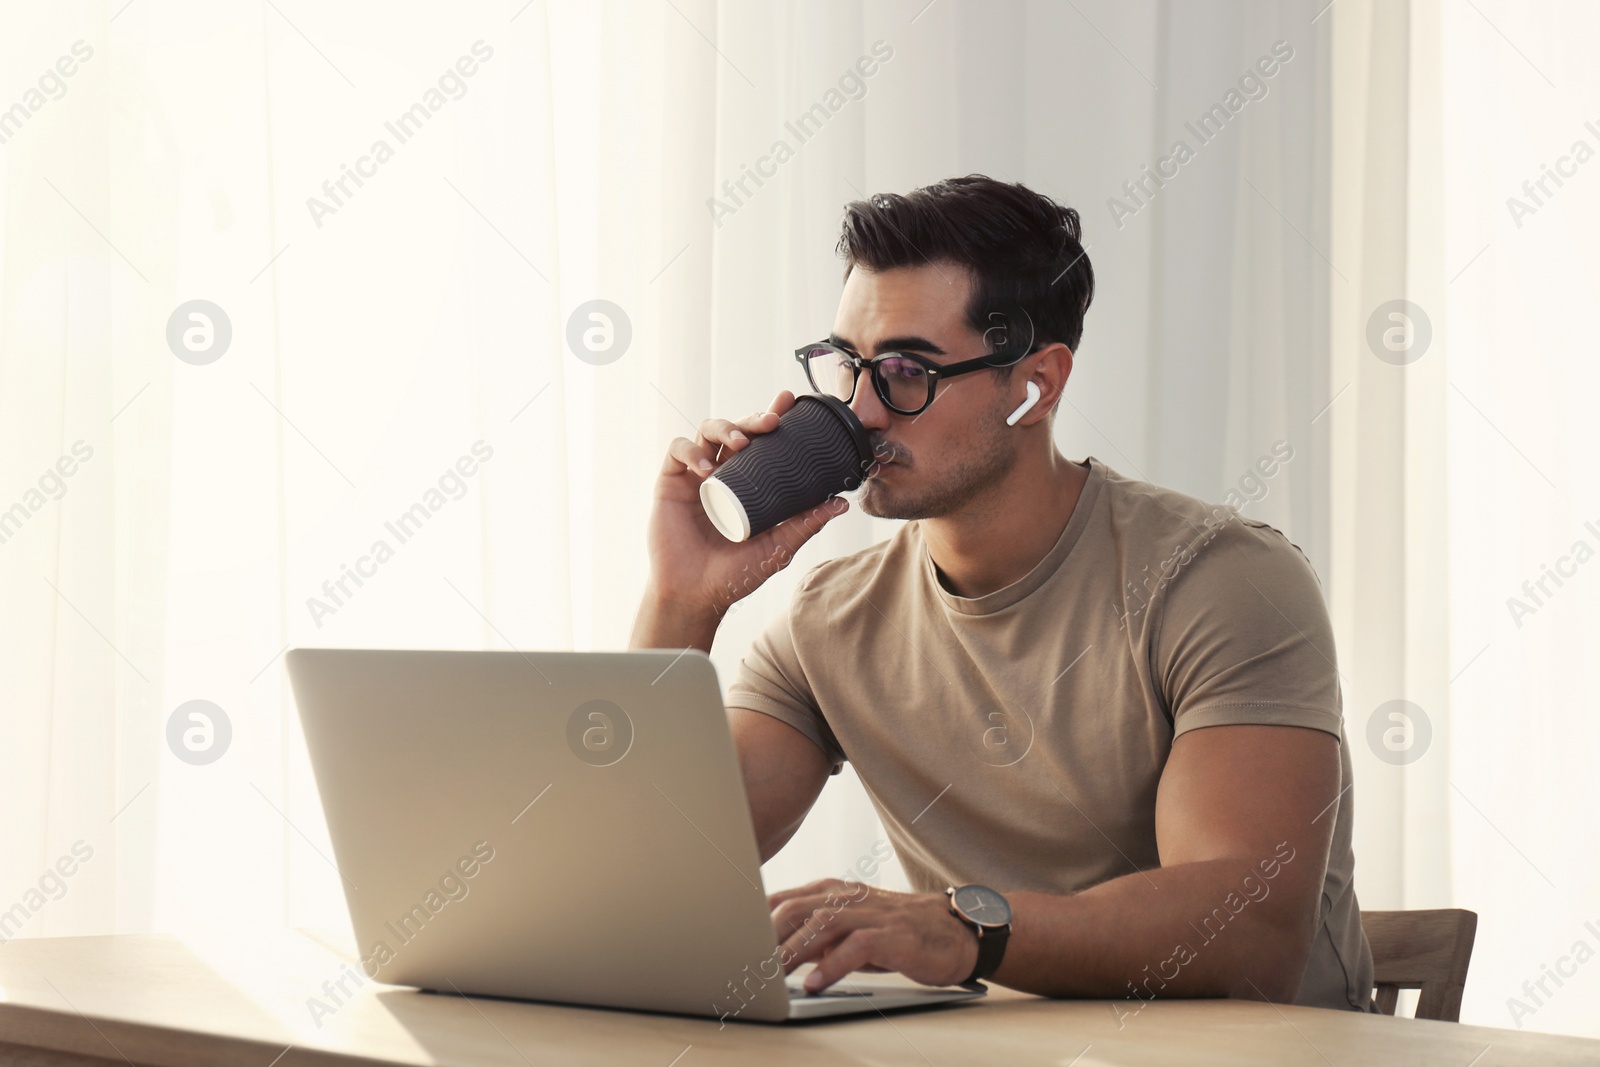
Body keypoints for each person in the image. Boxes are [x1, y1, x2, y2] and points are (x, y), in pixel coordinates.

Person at [630, 174, 1374, 1013]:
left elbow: (1250, 936)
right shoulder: (828, 621)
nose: (860, 409)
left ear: (1036, 387)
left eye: (906, 370)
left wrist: (965, 928)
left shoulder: (1219, 580)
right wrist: (684, 600)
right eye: (846, 366)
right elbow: (643, 875)